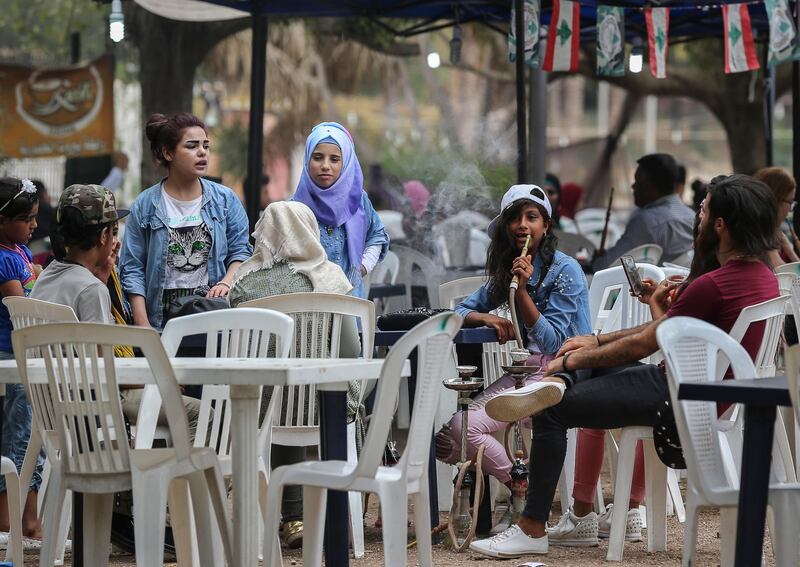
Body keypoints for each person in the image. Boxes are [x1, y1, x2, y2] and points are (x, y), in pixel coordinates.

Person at [469, 174, 780, 558]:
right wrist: (596, 340)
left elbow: (645, 343)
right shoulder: (763, 277)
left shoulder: (713, 284)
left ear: (721, 225)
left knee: (550, 408)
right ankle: (560, 381)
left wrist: (574, 356)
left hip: (678, 396)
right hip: (705, 394)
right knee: (579, 370)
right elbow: (660, 328)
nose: (696, 218)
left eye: (702, 211)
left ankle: (531, 528)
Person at [437, 184, 591, 492]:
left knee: (462, 429)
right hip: (527, 371)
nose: (522, 225)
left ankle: (522, 487)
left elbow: (553, 343)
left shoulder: (566, 270)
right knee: (446, 441)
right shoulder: (509, 271)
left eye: (531, 217)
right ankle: (519, 482)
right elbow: (461, 310)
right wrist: (485, 316)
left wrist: (520, 293)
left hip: (564, 371)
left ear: (546, 225)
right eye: (514, 218)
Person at [228, 200, 360, 550]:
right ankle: (324, 516)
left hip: (262, 410)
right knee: (335, 391)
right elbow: (351, 352)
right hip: (324, 408)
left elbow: (238, 353)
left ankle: (283, 517)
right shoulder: (331, 278)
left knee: (275, 398)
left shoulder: (243, 283)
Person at [32, 184, 203, 438]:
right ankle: (187, 477)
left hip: (53, 405)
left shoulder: (47, 277)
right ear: (102, 236)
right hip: (96, 403)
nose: (115, 239)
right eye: (113, 231)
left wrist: (99, 279)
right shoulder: (91, 289)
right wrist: (156, 380)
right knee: (201, 413)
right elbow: (107, 370)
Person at [119, 113, 251, 329]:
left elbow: (241, 251)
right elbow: (132, 268)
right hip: (159, 323)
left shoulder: (225, 200)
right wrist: (143, 324)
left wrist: (226, 282)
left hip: (213, 318)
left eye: (205, 146)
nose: (202, 152)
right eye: (191, 146)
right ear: (168, 153)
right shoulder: (145, 205)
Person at [292, 122, 389, 298]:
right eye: (318, 157)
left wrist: (362, 267)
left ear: (346, 163)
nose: (325, 166)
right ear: (307, 159)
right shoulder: (293, 208)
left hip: (350, 301)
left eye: (335, 159)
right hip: (308, 305)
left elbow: (377, 236)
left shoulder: (358, 200)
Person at [0, 177, 44, 543]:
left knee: (25, 436)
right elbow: (23, 305)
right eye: (27, 219)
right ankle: (16, 523)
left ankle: (25, 520)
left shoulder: (19, 252)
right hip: (13, 357)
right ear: (2, 220)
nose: (34, 226)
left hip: (21, 356)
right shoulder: (3, 259)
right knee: (22, 437)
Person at [592, 154, 695, 271]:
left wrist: (598, 261)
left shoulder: (646, 222)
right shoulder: (692, 216)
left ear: (650, 187)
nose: (633, 186)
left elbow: (605, 267)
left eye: (637, 181)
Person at [754, 167, 799, 267]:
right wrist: (790, 252)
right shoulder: (761, 236)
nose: (791, 209)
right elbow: (782, 274)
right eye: (790, 202)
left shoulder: (777, 234)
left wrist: (789, 250)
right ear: (775, 200)